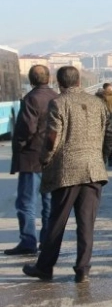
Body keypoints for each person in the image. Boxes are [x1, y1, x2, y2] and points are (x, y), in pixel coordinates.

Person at [22, 66, 112, 283]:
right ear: (79, 82)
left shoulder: (59, 102)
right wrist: (99, 156)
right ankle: (83, 269)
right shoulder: (98, 103)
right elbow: (111, 134)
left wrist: (45, 159)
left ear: (59, 83)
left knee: (58, 221)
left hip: (66, 171)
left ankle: (45, 268)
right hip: (94, 171)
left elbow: (53, 137)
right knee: (86, 223)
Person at [6, 65, 58, 256]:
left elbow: (26, 128)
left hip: (32, 158)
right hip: (53, 158)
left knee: (26, 202)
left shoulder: (31, 99)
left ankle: (28, 241)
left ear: (31, 79)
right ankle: (47, 241)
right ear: (48, 78)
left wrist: (19, 146)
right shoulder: (57, 97)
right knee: (49, 201)